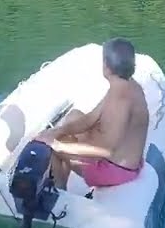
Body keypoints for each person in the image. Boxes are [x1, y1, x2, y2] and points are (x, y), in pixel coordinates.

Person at [35, 38, 150, 190]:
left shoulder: (121, 99)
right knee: (74, 116)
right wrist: (57, 131)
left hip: (115, 170)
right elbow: (90, 119)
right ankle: (62, 178)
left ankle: (59, 190)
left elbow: (107, 151)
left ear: (106, 66)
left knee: (52, 149)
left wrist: (57, 145)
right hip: (118, 160)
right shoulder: (126, 85)